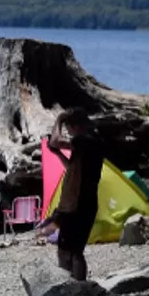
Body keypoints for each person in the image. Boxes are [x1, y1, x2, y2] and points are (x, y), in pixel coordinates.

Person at [43, 108, 105, 281]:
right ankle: (76, 284)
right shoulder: (92, 143)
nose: (68, 132)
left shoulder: (84, 141)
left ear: (75, 126)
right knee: (73, 249)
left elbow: (55, 141)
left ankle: (72, 286)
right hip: (84, 203)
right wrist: (57, 154)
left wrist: (59, 120)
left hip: (77, 204)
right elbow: (72, 166)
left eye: (69, 128)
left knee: (70, 251)